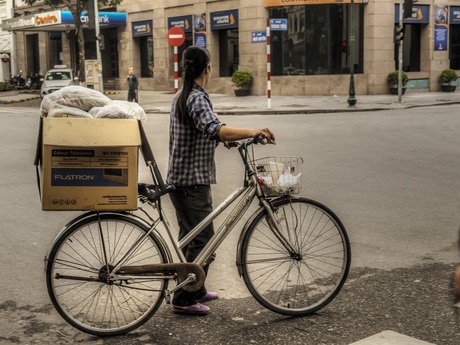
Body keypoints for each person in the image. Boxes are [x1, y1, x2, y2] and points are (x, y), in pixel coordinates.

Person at [166, 45, 275, 316]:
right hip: (191, 181)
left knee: (191, 238)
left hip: (182, 178)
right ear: (208, 69)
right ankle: (182, 298)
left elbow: (202, 129)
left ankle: (196, 287)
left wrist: (222, 139)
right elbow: (215, 128)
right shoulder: (196, 98)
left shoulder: (184, 94)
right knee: (204, 240)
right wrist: (252, 131)